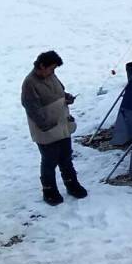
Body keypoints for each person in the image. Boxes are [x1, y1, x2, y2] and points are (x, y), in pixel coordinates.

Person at [21, 50, 87, 205]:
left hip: (62, 126)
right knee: (49, 161)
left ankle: (72, 184)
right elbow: (31, 108)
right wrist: (46, 125)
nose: (53, 72)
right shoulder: (30, 83)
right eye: (51, 68)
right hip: (46, 129)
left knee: (66, 157)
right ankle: (49, 191)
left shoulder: (51, 76)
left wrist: (67, 97)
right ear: (42, 66)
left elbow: (60, 92)